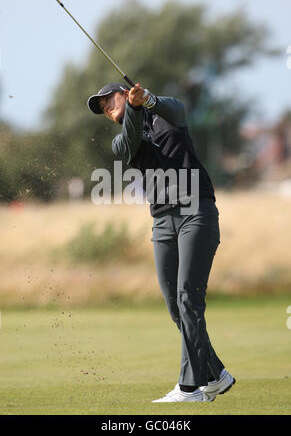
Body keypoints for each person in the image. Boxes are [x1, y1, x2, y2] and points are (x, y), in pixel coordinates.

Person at [87, 82, 236, 402]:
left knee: (187, 297)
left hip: (196, 211)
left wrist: (148, 101)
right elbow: (130, 138)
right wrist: (136, 110)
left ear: (124, 92)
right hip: (163, 221)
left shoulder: (168, 117)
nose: (105, 109)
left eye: (107, 100)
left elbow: (177, 108)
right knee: (174, 305)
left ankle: (190, 387)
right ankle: (215, 374)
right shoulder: (121, 142)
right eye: (101, 108)